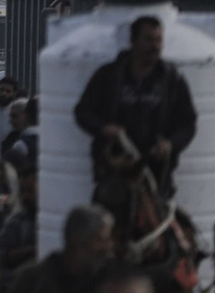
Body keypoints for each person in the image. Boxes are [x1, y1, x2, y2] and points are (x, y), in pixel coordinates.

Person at [74, 16, 197, 194]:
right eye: (148, 39)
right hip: (114, 169)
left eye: (158, 40)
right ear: (133, 41)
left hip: (157, 173)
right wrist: (104, 129)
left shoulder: (172, 80)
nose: (154, 46)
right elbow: (83, 111)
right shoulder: (108, 75)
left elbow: (188, 123)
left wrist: (170, 144)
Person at [8, 205, 115, 293]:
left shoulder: (108, 282)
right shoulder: (31, 280)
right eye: (101, 240)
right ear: (76, 241)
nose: (108, 247)